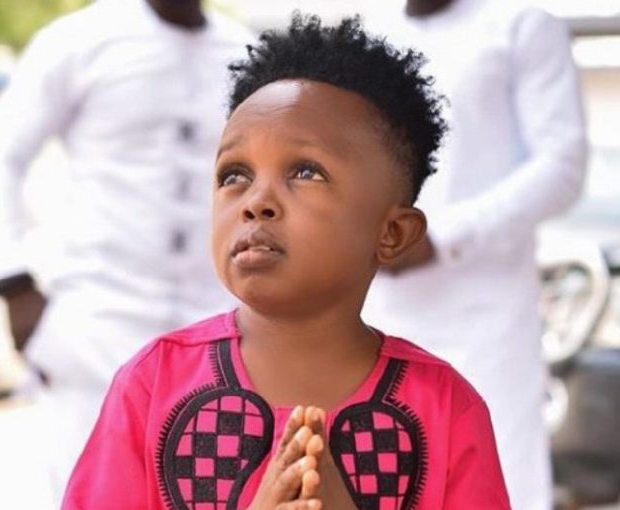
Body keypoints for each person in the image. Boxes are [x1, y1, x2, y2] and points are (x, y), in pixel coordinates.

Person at [62, 14, 511, 509]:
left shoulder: (447, 409)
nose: (256, 201)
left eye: (305, 172)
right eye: (234, 175)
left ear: (392, 233)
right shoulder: (152, 386)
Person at [0, 0, 251, 500]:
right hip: (96, 329)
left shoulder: (242, 51)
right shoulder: (82, 40)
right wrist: (13, 284)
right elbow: (0, 154)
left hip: (214, 336)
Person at [362, 1, 587, 509]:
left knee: (496, 476)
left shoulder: (521, 24)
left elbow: (561, 166)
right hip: (379, 308)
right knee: (382, 476)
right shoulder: (373, 28)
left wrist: (442, 238)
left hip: (484, 323)